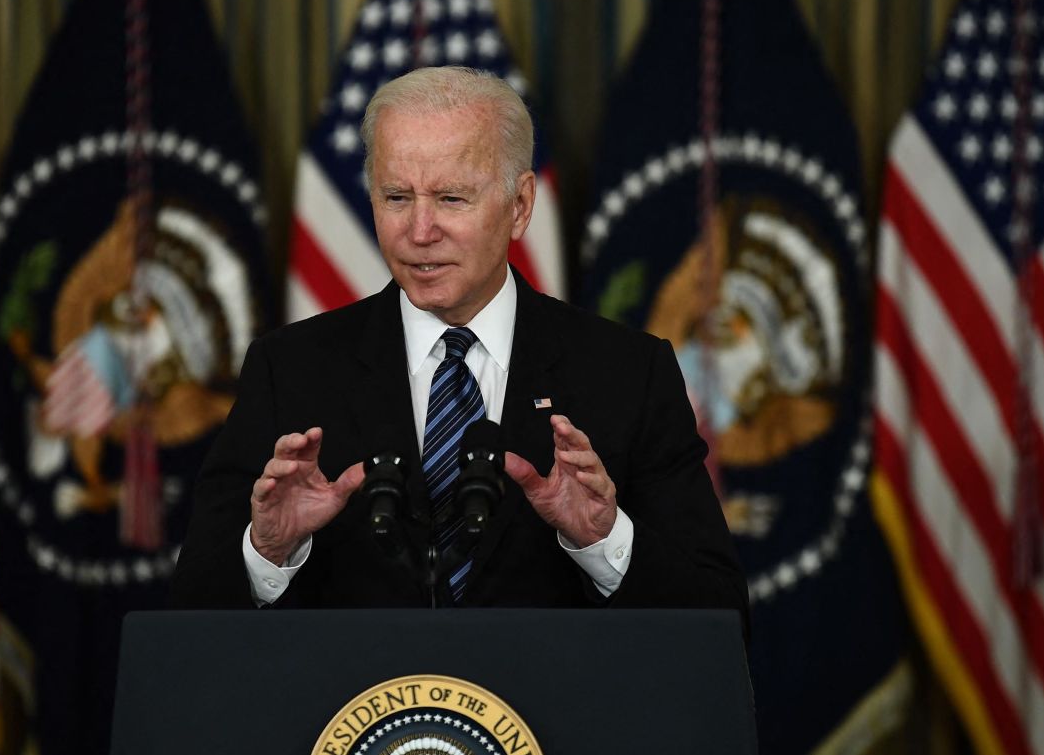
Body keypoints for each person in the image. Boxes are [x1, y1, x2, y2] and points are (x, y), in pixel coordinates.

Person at [169, 66, 746, 624]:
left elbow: (717, 613)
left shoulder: (627, 374)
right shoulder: (290, 370)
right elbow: (191, 615)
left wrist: (603, 538)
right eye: (397, 198)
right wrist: (266, 552)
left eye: (450, 199)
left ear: (519, 207)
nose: (419, 232)